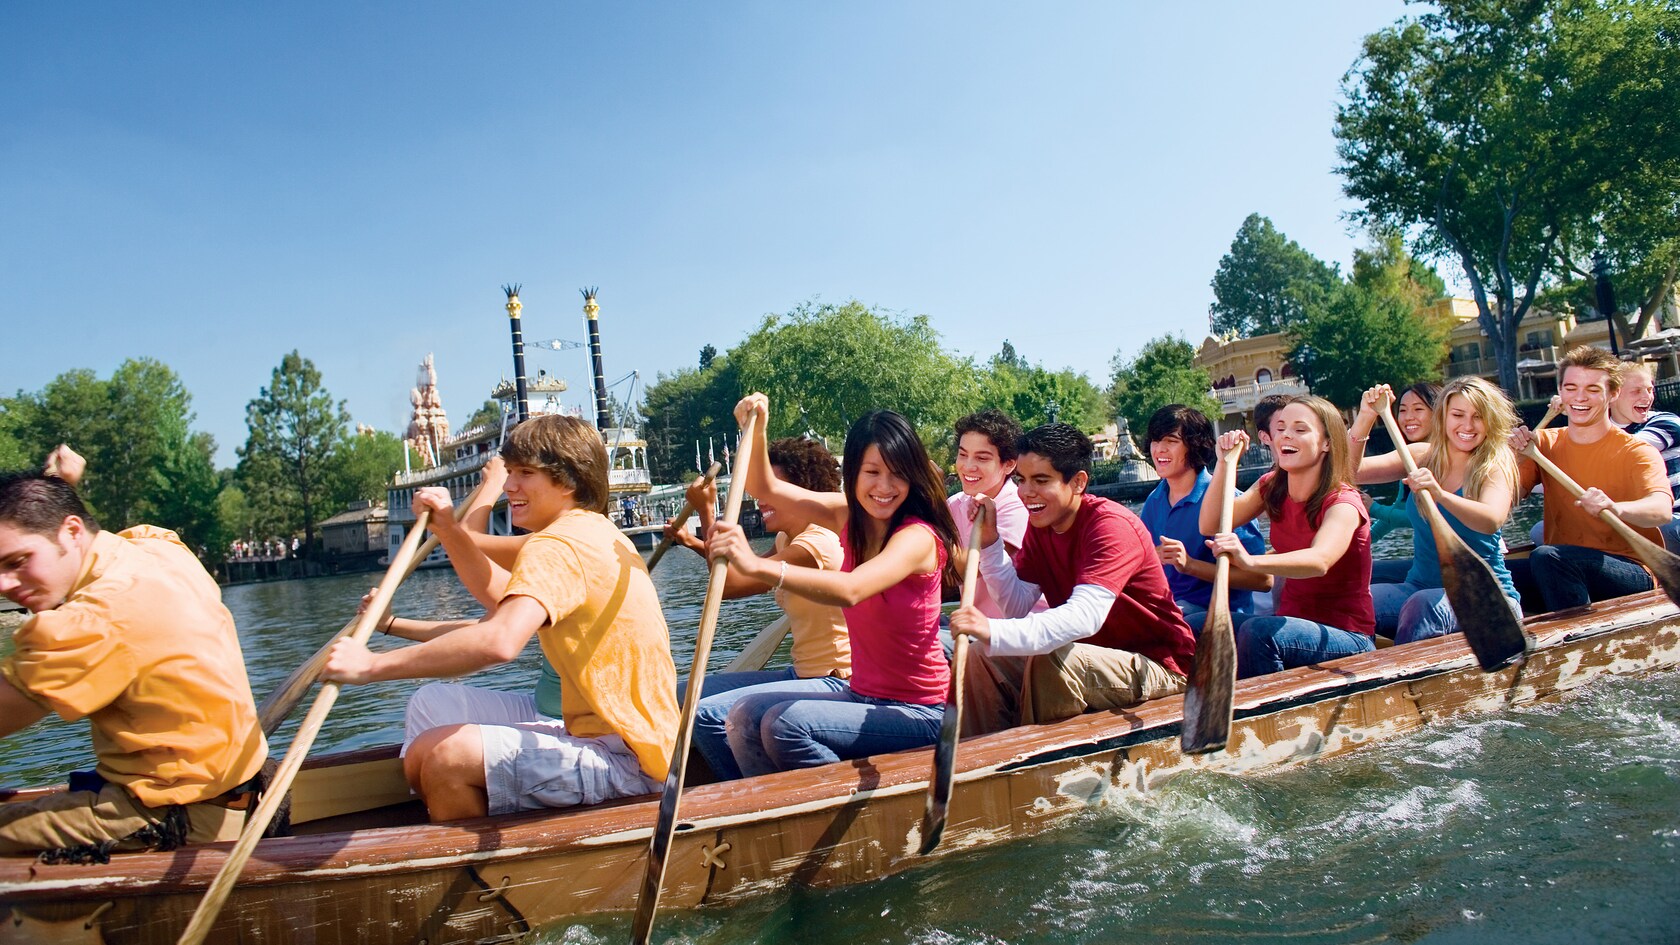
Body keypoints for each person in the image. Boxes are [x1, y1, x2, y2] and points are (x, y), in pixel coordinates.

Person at [322, 415, 679, 821]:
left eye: (525, 474)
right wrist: (446, 529)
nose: (510, 486)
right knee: (430, 712)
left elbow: (500, 640)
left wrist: (370, 665)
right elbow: (498, 597)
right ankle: (457, 815)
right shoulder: (590, 531)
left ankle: (475, 870)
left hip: (632, 763)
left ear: (569, 481)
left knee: (444, 757)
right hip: (603, 740)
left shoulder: (559, 545)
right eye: (508, 472)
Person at [0, 446, 269, 858]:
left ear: (72, 532)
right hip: (237, 791)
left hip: (178, 816)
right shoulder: (156, 548)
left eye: (17, 562)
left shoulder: (92, 620)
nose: (4, 584)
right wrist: (54, 492)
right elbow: (86, 546)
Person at [705, 394, 959, 776]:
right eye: (872, 473)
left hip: (922, 711)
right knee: (742, 716)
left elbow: (852, 589)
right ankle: (765, 809)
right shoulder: (845, 514)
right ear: (853, 472)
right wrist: (755, 429)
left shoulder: (917, 537)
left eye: (898, 473)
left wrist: (756, 565)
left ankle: (827, 812)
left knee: (785, 724)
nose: (885, 487)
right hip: (861, 695)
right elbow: (765, 486)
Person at [950, 424, 1197, 734]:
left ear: (1078, 482)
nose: (1026, 493)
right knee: (980, 655)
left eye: (1041, 481)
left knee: (1051, 659)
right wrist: (990, 544)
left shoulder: (1111, 526)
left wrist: (992, 628)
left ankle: (1032, 760)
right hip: (1090, 658)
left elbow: (1085, 617)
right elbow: (1015, 604)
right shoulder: (1041, 527)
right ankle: (979, 757)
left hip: (1161, 668)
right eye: (1021, 481)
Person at [664, 436, 851, 781]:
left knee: (704, 715)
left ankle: (744, 795)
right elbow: (736, 582)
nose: (760, 499)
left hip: (835, 679)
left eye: (772, 490)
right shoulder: (788, 539)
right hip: (802, 673)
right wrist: (695, 542)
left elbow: (731, 583)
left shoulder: (817, 543)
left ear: (801, 493)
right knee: (678, 695)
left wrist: (708, 510)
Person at [1202, 396, 1376, 678]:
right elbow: (1210, 523)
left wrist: (1250, 561)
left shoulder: (1344, 502)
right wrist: (1224, 463)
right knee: (1199, 624)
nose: (1286, 435)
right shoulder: (1272, 486)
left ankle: (1260, 714)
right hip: (1292, 623)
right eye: (1281, 427)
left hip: (1348, 636)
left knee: (1259, 633)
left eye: (1300, 429)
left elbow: (1319, 560)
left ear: (1327, 444)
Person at [1353, 378, 1522, 642]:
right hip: (1419, 586)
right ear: (1443, 417)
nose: (1467, 425)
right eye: (1457, 415)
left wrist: (1441, 495)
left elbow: (1490, 520)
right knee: (1354, 600)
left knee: (1423, 605)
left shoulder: (1494, 465)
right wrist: (1365, 416)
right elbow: (1352, 471)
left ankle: (1404, 678)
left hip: (1487, 597)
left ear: (1491, 421)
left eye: (1478, 417)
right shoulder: (1422, 456)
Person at [1508, 347, 1671, 612]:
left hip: (1631, 571)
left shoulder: (1637, 451)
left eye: (1593, 389)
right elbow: (1504, 501)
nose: (1580, 397)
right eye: (1571, 388)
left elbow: (1661, 510)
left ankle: (1579, 643)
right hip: (1561, 567)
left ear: (1613, 394)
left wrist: (1616, 508)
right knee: (1487, 575)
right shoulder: (1543, 445)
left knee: (1550, 558)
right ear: (1560, 392)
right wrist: (1512, 460)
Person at [1138, 404, 1270, 634]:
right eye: (1155, 440)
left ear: (1195, 445)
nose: (1159, 449)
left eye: (1171, 441)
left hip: (1219, 618)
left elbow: (1262, 581)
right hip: (1171, 610)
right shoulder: (1154, 500)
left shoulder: (1228, 499)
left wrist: (1190, 565)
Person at [945, 409, 1040, 617]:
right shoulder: (955, 504)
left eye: (982, 458)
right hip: (971, 627)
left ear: (1008, 465)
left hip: (1011, 635)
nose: (968, 466)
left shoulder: (1017, 508)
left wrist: (929, 493)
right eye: (962, 454)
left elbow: (963, 572)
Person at [1352, 382, 1440, 584]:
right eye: (1402, 410)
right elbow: (1399, 510)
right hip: (1428, 570)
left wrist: (1374, 508)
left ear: (1438, 414)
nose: (1408, 417)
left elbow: (1350, 472)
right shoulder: (1413, 459)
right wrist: (1362, 542)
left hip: (1444, 574)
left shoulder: (1424, 452)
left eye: (1418, 409)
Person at [1609, 362, 1680, 552]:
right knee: (1540, 531)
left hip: (1673, 518)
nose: (1647, 397)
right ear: (1612, 395)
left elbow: (1628, 451)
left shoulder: (1667, 422)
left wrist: (1580, 417)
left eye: (1649, 389)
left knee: (1663, 528)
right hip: (1628, 521)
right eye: (1637, 391)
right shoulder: (1595, 434)